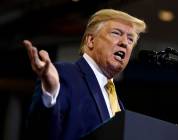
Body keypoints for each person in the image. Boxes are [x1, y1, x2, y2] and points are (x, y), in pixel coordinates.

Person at [23, 9, 146, 140]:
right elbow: (40, 132)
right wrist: (50, 93)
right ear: (91, 40)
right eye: (116, 33)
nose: (124, 43)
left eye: (130, 39)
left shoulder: (118, 104)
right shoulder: (66, 75)